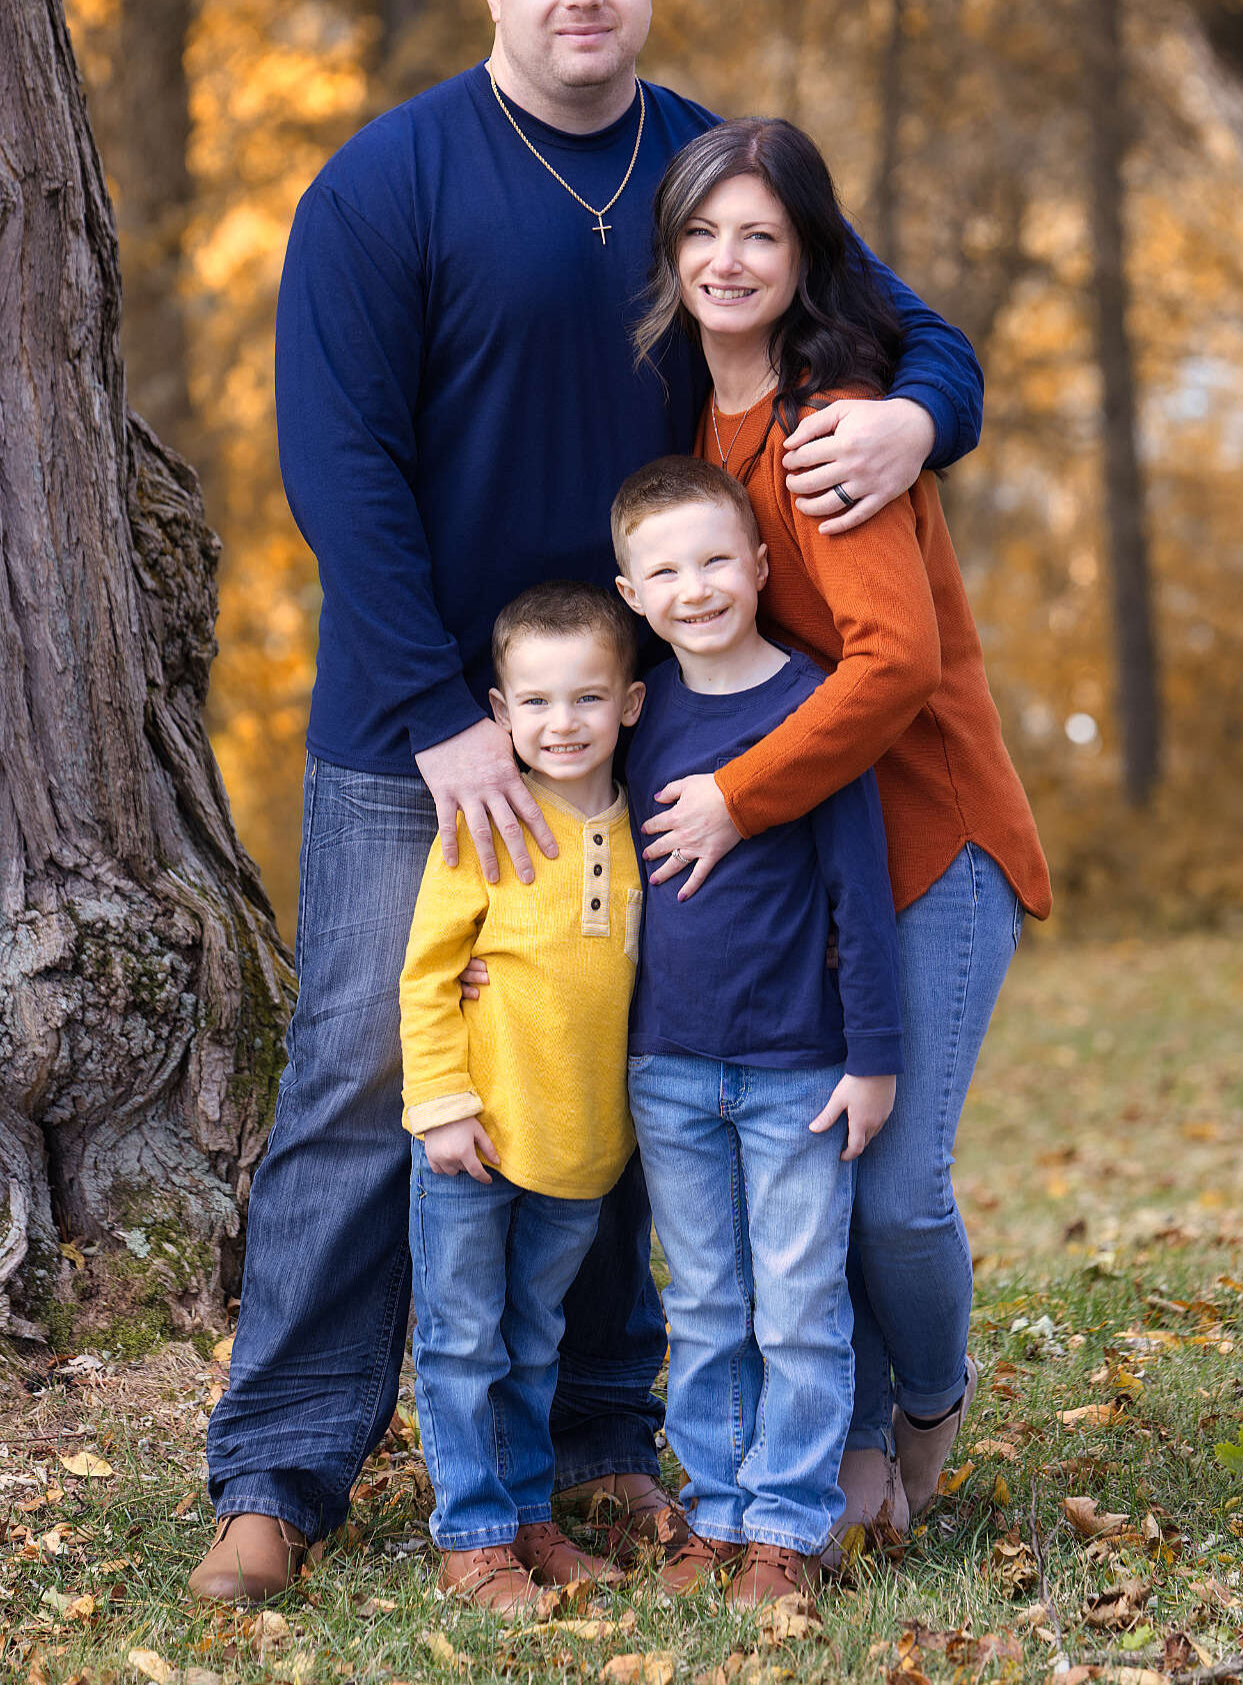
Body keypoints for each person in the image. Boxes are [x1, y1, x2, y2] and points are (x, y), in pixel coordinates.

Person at [193, 0, 986, 1602]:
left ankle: (603, 1443)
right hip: (428, 741)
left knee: (631, 1078)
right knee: (359, 1083)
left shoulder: (712, 170)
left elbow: (921, 333)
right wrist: (434, 717)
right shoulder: (384, 185)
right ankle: (281, 1470)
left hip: (651, 732)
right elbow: (341, 468)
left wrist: (923, 421)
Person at [629, 118, 1051, 1550]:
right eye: (700, 235)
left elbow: (892, 669)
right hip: (817, 853)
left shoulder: (825, 431)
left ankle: (925, 1394)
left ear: (808, 254)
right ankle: (852, 1438)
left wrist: (738, 796)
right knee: (818, 1159)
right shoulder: (704, 425)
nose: (726, 261)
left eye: (759, 234)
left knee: (888, 1191)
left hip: (927, 841)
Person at [612, 458, 905, 1611]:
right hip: (666, 1066)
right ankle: (717, 1513)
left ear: (763, 567)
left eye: (718, 560)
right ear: (632, 591)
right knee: (703, 1302)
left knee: (796, 1302)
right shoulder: (638, 713)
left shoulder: (810, 706)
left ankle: (788, 1523)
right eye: (666, 570)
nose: (696, 587)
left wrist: (871, 1060)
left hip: (797, 1069)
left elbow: (860, 900)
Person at [401, 582, 644, 1619]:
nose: (562, 723)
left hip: (580, 1145)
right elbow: (426, 974)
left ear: (630, 702)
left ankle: (527, 1510)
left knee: (534, 1338)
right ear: (499, 711)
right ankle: (472, 1535)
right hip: (474, 1135)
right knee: (462, 1338)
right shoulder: (486, 823)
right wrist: (443, 1102)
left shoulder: (645, 825)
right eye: (536, 702)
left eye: (586, 698)